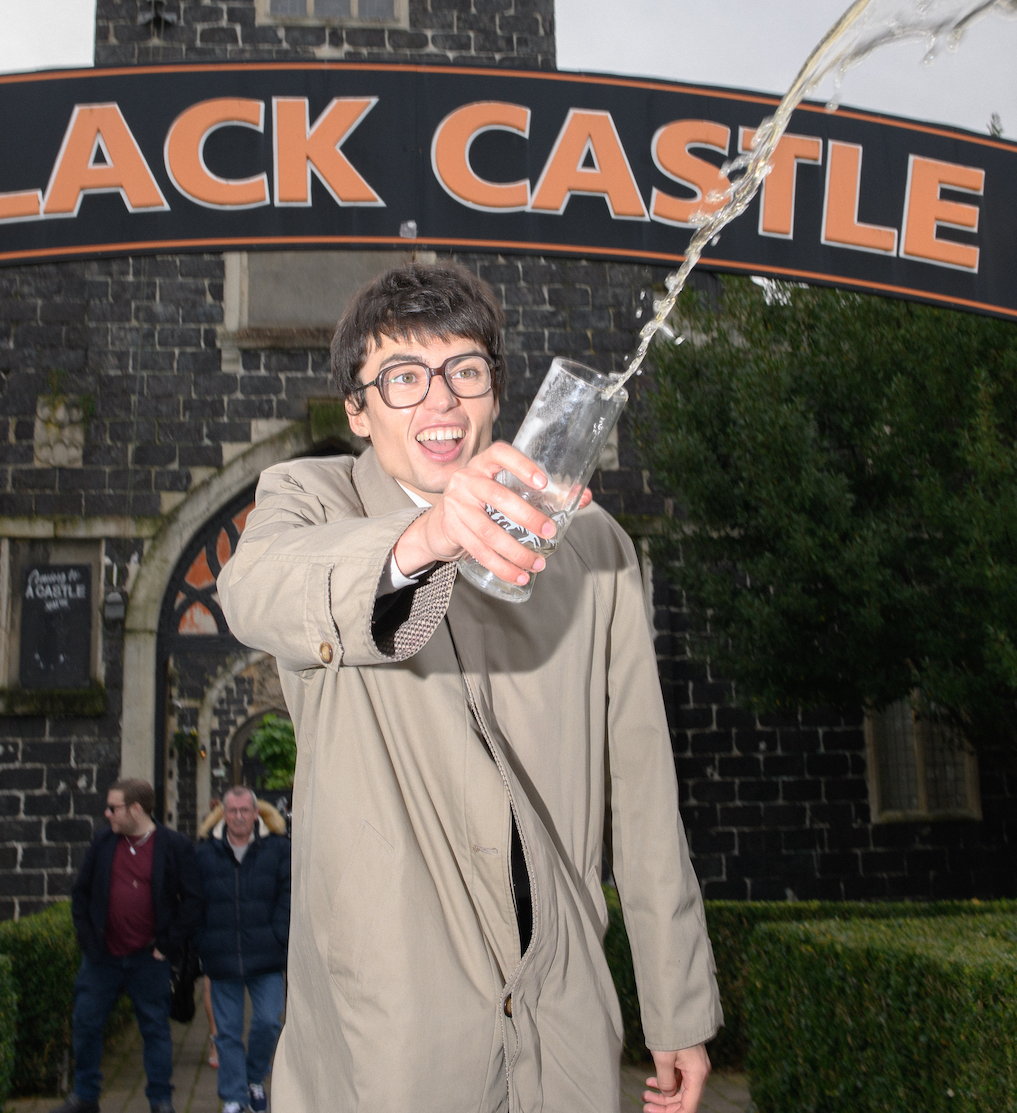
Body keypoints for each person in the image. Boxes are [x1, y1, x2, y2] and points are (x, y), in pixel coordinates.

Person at [217, 264, 720, 1113]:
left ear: (497, 391)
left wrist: (677, 1004)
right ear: (358, 408)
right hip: (389, 1031)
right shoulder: (308, 500)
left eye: (465, 371)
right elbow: (254, 587)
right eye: (403, 378)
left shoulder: (592, 545)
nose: (439, 403)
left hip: (559, 1012)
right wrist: (427, 535)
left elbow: (642, 790)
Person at [53, 778, 202, 1113]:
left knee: (155, 1031)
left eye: (114, 807)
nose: (107, 813)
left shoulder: (174, 845)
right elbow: (81, 893)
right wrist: (89, 941)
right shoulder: (104, 842)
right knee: (86, 1023)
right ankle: (85, 1096)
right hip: (102, 958)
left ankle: (161, 1101)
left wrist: (166, 945)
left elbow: (192, 901)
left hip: (148, 958)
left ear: (136, 809)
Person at [195, 785, 291, 1113]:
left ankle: (253, 1079)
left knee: (268, 1022)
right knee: (227, 1033)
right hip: (222, 957)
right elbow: (195, 901)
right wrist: (202, 941)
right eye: (231, 811)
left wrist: (279, 936)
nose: (238, 816)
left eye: (244, 811)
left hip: (266, 955)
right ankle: (235, 1097)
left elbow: (288, 894)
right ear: (222, 814)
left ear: (256, 813)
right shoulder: (205, 852)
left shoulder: (278, 848)